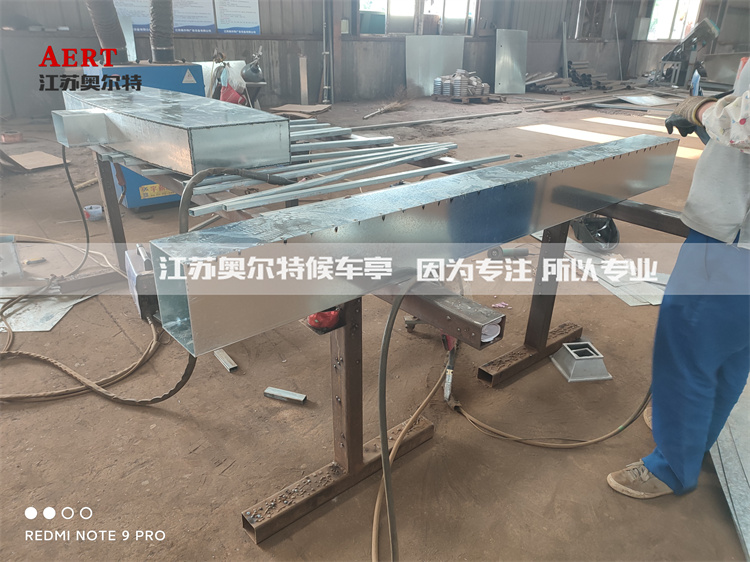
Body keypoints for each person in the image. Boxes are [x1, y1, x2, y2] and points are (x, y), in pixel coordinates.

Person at [607, 60, 750, 499]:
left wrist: (703, 110)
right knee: (729, 354)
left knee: (687, 347)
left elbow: (744, 124)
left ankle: (671, 467)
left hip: (732, 241)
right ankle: (693, 441)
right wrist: (717, 134)